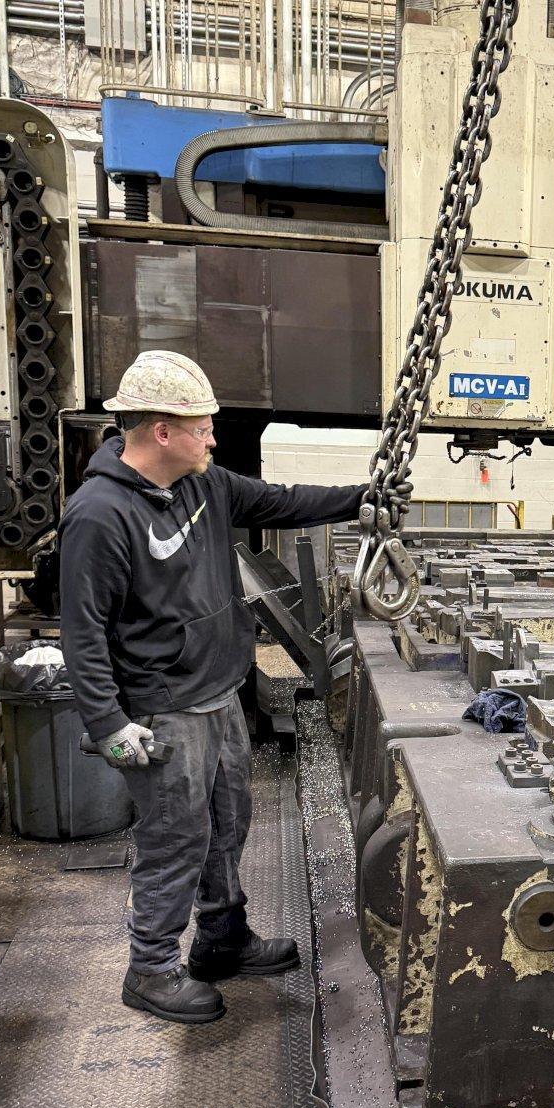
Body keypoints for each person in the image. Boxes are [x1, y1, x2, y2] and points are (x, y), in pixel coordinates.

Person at [58, 350, 367, 1025]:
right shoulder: (100, 515)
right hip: (163, 709)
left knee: (227, 825)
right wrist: (108, 726)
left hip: (220, 693)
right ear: (162, 431)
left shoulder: (205, 485)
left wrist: (364, 498)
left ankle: (222, 940)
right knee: (175, 839)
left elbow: (284, 502)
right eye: (203, 428)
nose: (213, 440)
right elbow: (82, 633)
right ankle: (150, 969)